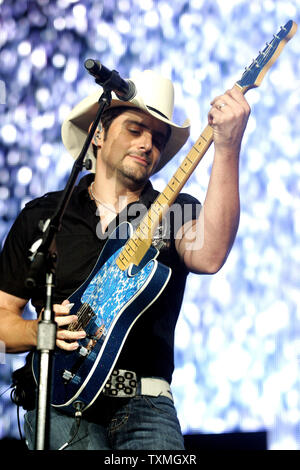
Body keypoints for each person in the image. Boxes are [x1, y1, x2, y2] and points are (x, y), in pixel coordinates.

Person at [0, 70, 250, 450]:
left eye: (158, 138)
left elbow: (211, 255)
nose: (148, 143)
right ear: (98, 134)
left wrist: (228, 148)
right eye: (136, 129)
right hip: (57, 402)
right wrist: (41, 333)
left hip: (147, 405)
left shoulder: (175, 211)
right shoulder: (44, 216)